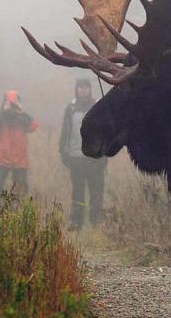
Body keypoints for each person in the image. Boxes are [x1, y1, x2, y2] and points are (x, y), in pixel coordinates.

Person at [59, 78, 107, 231]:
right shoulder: (71, 108)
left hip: (95, 158)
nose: (83, 90)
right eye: (80, 87)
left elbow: (106, 131)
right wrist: (63, 152)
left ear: (90, 89)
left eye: (86, 87)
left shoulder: (98, 106)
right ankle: (77, 222)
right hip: (76, 157)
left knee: (96, 191)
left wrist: (104, 154)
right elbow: (65, 131)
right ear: (77, 89)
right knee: (78, 191)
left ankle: (95, 222)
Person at [0, 90, 39, 206]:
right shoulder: (1, 118)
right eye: (8, 104)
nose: (11, 107)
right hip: (2, 159)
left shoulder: (23, 118)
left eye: (14, 104)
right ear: (3, 104)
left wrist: (22, 112)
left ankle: (17, 217)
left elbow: (34, 126)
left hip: (20, 160)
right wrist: (2, 112)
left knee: (20, 193)